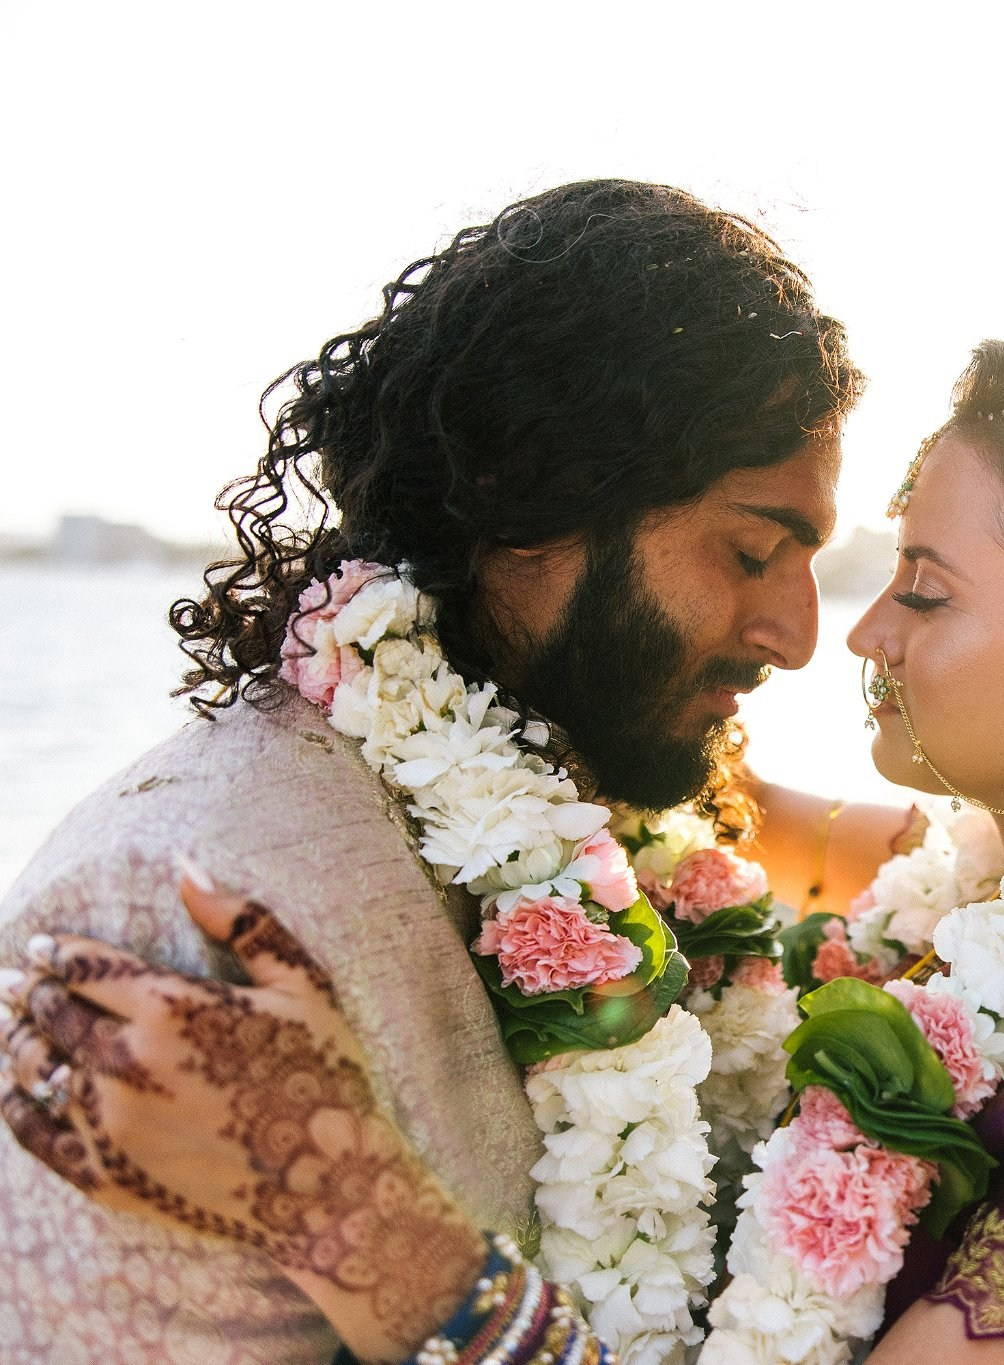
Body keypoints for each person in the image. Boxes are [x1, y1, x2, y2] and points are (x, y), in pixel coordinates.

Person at [4, 337, 1004, 1363]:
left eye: (925, 590)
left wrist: (348, 1212)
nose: (857, 637)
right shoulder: (976, 884)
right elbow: (710, 801)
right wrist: (438, 644)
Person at [0, 178, 925, 1363]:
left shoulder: (601, 815)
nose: (796, 635)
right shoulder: (184, 912)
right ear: (519, 491)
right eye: (749, 551)